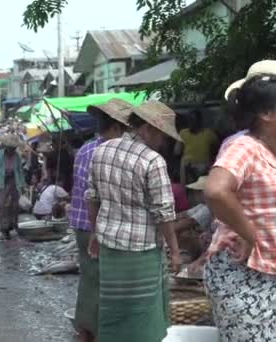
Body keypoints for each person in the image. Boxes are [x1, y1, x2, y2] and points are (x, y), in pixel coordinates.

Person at [86, 100, 181, 342]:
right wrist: (175, 250)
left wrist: (95, 234)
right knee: (143, 314)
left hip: (110, 245)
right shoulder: (153, 161)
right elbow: (164, 212)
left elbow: (93, 197)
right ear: (149, 128)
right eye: (162, 134)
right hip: (142, 250)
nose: (163, 141)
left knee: (113, 310)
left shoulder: (102, 150)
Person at [203, 60, 276, 341]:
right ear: (267, 113)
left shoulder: (269, 151)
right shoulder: (245, 146)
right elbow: (216, 190)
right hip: (244, 272)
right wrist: (249, 233)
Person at [69, 98, 132, 342]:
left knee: (89, 278)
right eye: (126, 129)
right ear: (117, 128)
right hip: (99, 226)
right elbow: (103, 195)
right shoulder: (111, 152)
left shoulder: (86, 148)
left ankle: (85, 330)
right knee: (106, 282)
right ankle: (98, 333)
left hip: (81, 224)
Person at [0, 134, 26, 240]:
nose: (12, 150)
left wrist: (22, 185)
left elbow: (19, 171)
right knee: (2, 206)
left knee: (14, 206)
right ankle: (4, 229)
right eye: (11, 148)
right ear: (6, 147)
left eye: (14, 148)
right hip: (1, 182)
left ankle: (13, 226)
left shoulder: (17, 156)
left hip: (14, 182)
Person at [177, 109, 218, 184]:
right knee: (184, 164)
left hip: (204, 165)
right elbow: (177, 151)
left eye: (194, 120)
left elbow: (216, 149)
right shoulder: (183, 133)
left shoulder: (209, 133)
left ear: (199, 121)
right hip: (188, 164)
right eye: (190, 120)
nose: (191, 123)